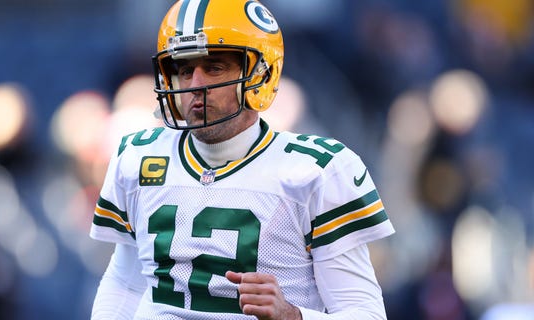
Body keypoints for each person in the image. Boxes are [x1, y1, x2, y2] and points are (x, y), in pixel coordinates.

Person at [90, 0, 395, 319]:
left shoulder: (319, 171)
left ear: (260, 75)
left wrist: (293, 315)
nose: (195, 85)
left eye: (214, 68)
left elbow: (365, 313)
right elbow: (125, 283)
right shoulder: (139, 156)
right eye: (184, 69)